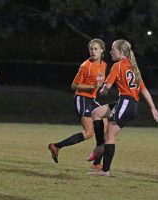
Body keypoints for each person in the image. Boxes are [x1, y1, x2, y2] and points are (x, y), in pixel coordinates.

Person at [88, 39, 158, 177]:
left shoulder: (118, 66)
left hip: (126, 103)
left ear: (121, 52)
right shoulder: (133, 67)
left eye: (113, 50)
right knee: (96, 112)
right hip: (129, 104)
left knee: (110, 137)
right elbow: (144, 90)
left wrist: (102, 89)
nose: (110, 52)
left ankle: (105, 169)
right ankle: (100, 146)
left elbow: (107, 88)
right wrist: (153, 108)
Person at [48, 38, 107, 169]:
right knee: (89, 133)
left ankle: (96, 162)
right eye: (91, 49)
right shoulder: (86, 66)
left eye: (96, 48)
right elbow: (74, 85)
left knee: (106, 126)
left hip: (92, 100)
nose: (93, 51)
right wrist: (91, 87)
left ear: (102, 50)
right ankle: (56, 146)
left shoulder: (103, 65)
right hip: (82, 99)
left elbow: (99, 82)